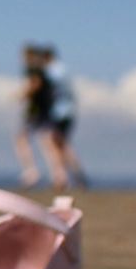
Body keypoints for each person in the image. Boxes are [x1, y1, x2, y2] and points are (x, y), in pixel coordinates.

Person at [13, 45, 63, 189]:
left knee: (22, 138)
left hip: (35, 112)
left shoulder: (33, 70)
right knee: (48, 143)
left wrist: (23, 95)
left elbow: (35, 84)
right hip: (46, 111)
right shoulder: (45, 71)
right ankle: (59, 175)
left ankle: (31, 172)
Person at [39, 45, 88, 189]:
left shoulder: (52, 71)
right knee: (62, 144)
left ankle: (62, 177)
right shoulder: (64, 69)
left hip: (58, 112)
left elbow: (47, 89)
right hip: (69, 111)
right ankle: (75, 174)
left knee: (55, 144)